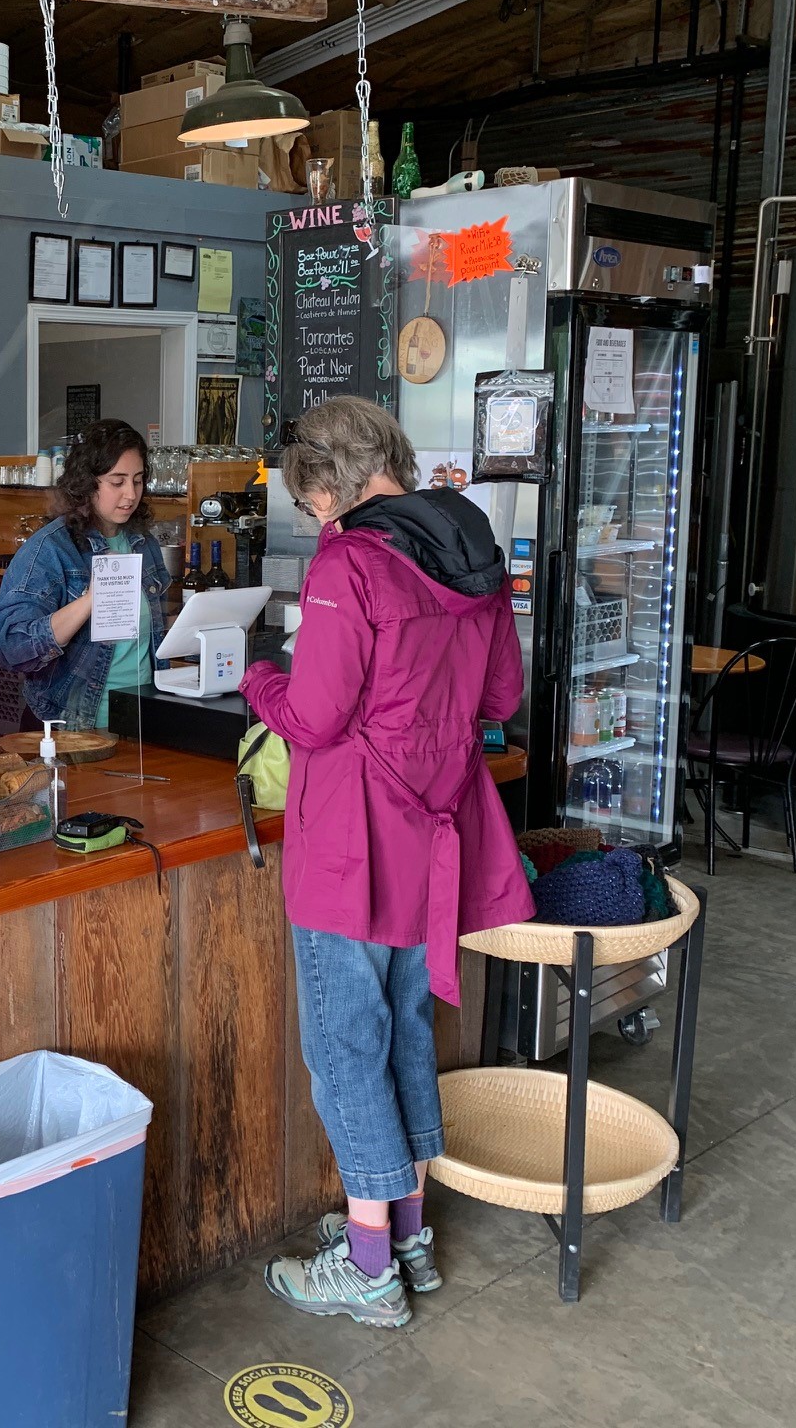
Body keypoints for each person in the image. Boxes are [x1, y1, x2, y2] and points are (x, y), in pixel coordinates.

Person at [240, 397, 533, 1328]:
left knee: (341, 1047)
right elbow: (501, 692)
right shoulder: (472, 544)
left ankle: (368, 1269)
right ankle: (404, 1229)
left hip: (348, 840)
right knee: (402, 1026)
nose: (314, 515)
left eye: (310, 498)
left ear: (331, 481)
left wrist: (258, 676)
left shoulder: (350, 560)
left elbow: (317, 716)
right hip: (433, 826)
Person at [0, 421, 170, 729]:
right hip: (74, 724)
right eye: (117, 482)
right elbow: (14, 649)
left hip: (140, 717)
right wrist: (89, 601)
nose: (130, 494)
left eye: (138, 481)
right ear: (88, 484)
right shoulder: (50, 549)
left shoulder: (143, 542)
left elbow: (149, 633)